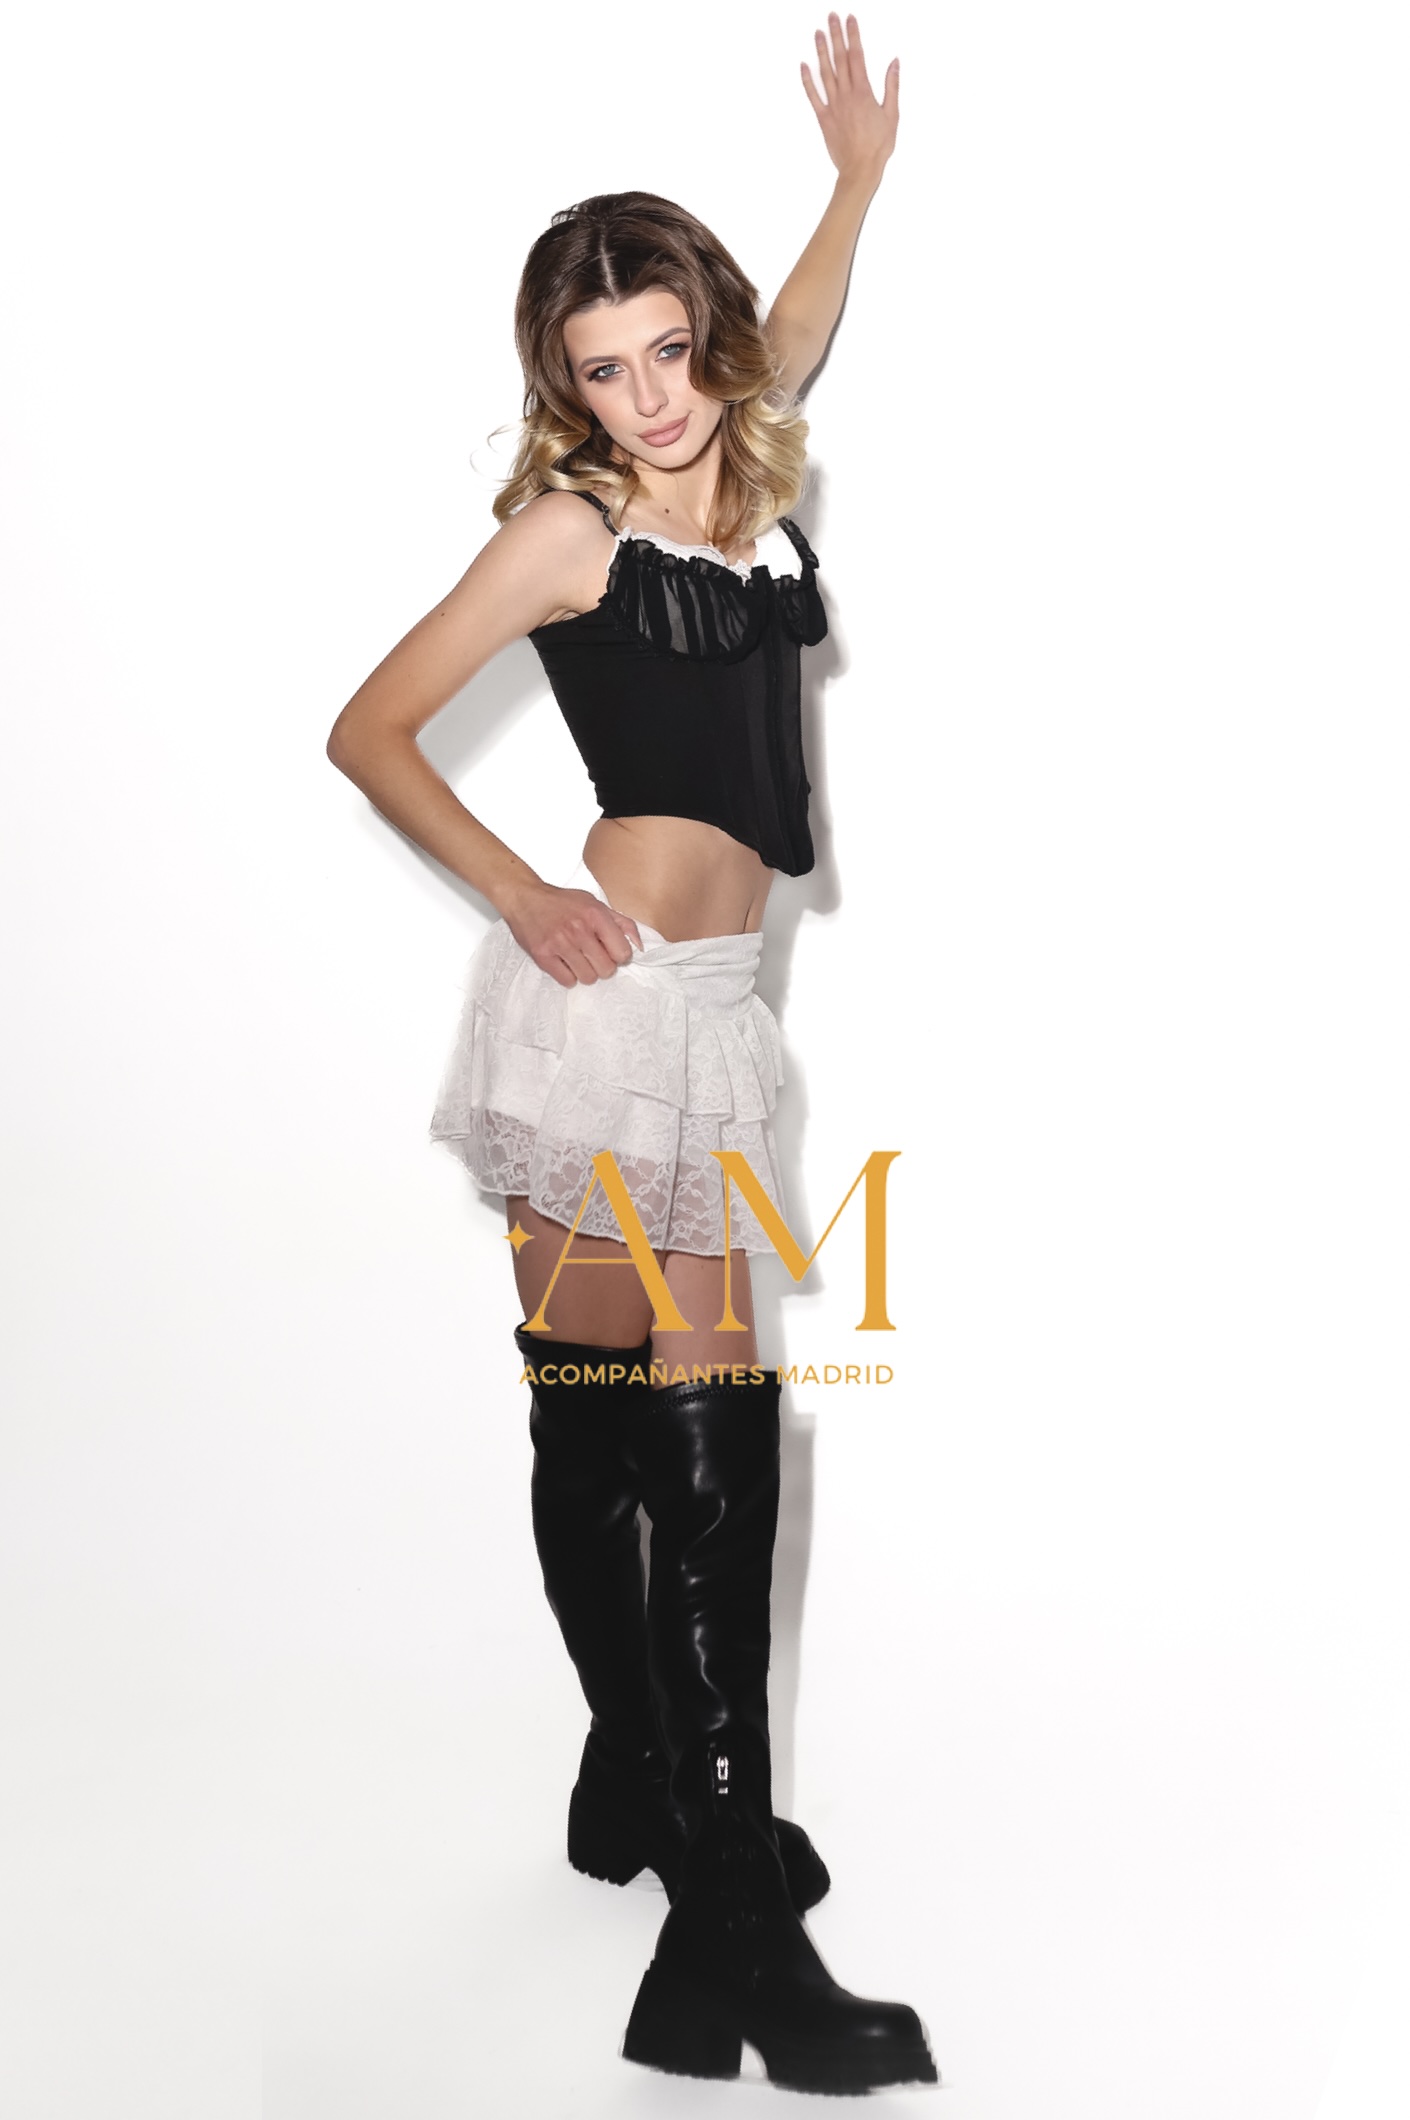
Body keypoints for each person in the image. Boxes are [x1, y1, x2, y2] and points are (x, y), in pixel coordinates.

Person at [326, 12, 937, 2093]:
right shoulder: (572, 531)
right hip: (598, 1023)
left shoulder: (747, 477)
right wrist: (519, 890)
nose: (651, 396)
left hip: (711, 1021)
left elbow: (801, 323)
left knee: (649, 1434)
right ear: (565, 386)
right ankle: (731, 1917)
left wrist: (852, 179)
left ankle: (642, 1795)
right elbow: (370, 728)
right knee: (653, 1436)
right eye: (607, 370)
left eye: (671, 352)